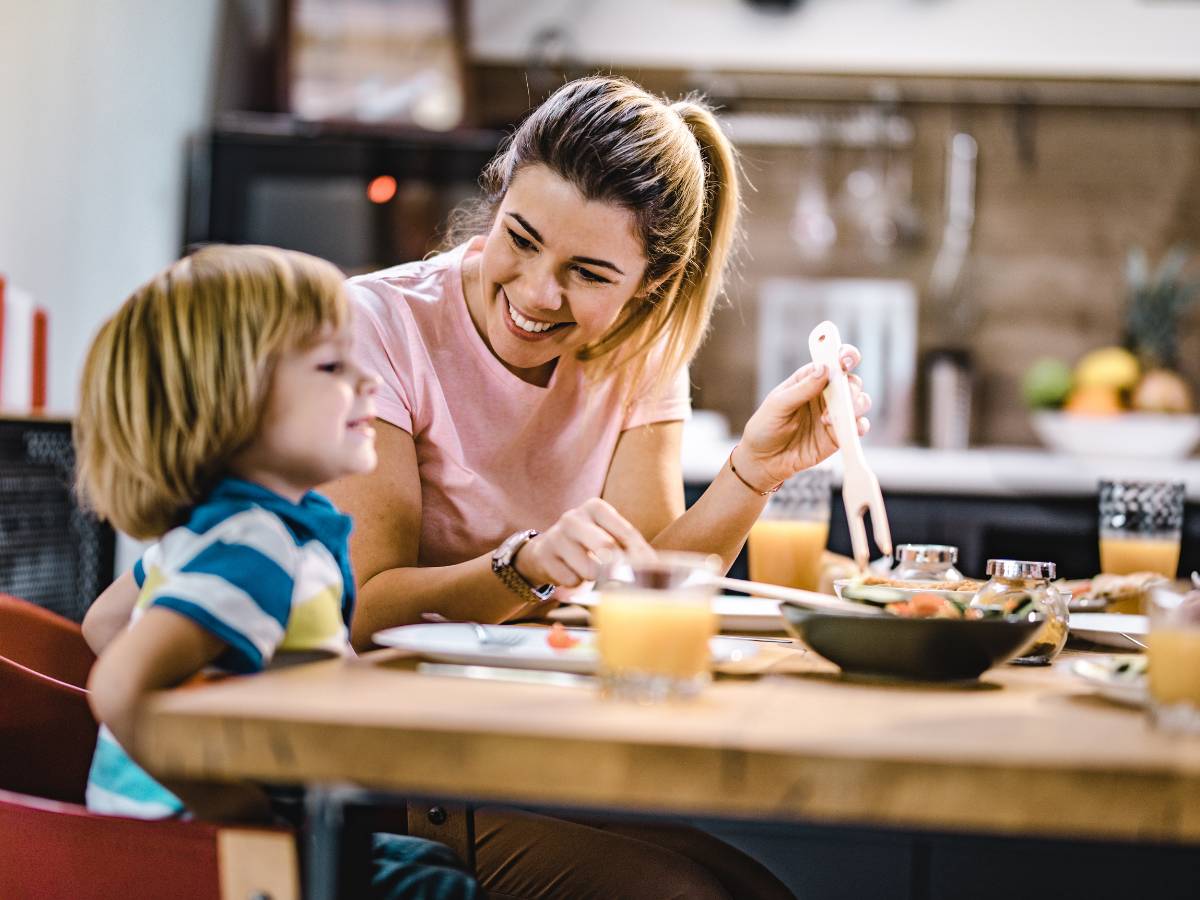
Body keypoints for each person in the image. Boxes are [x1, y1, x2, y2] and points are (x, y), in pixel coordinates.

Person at [322, 74, 870, 900]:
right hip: (400, 772)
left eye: (588, 272)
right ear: (498, 193)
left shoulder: (638, 352)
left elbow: (642, 589)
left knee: (765, 894)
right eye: (521, 237)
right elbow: (364, 608)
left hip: (545, 758)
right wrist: (526, 564)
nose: (540, 293)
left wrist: (753, 472)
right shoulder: (377, 326)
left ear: (649, 282)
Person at [75, 244, 484, 899]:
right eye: (331, 365)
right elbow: (118, 686)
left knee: (439, 866)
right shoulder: (254, 548)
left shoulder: (235, 529)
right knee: (447, 890)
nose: (369, 381)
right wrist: (232, 804)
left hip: (175, 841)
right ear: (230, 401)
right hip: (195, 853)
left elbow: (108, 620)